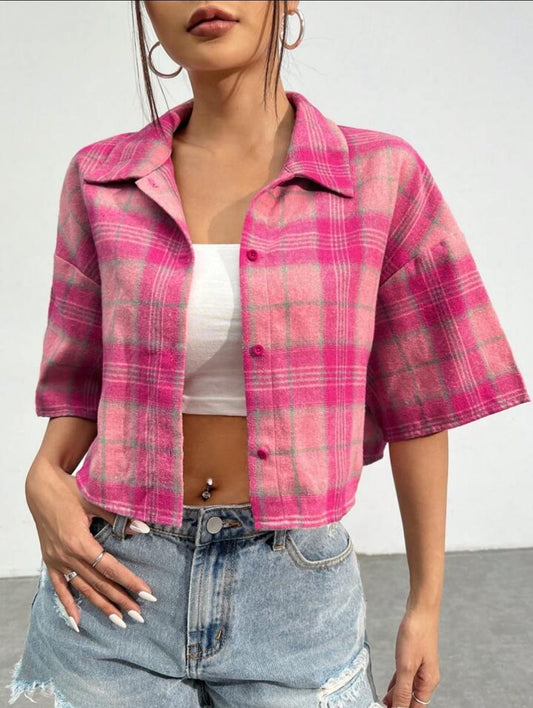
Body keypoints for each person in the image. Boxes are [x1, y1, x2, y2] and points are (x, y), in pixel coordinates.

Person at [8, 2, 530, 707]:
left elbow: (420, 404)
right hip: (115, 577)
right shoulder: (101, 179)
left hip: (294, 596)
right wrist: (44, 476)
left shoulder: (380, 178)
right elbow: (80, 382)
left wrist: (425, 606)